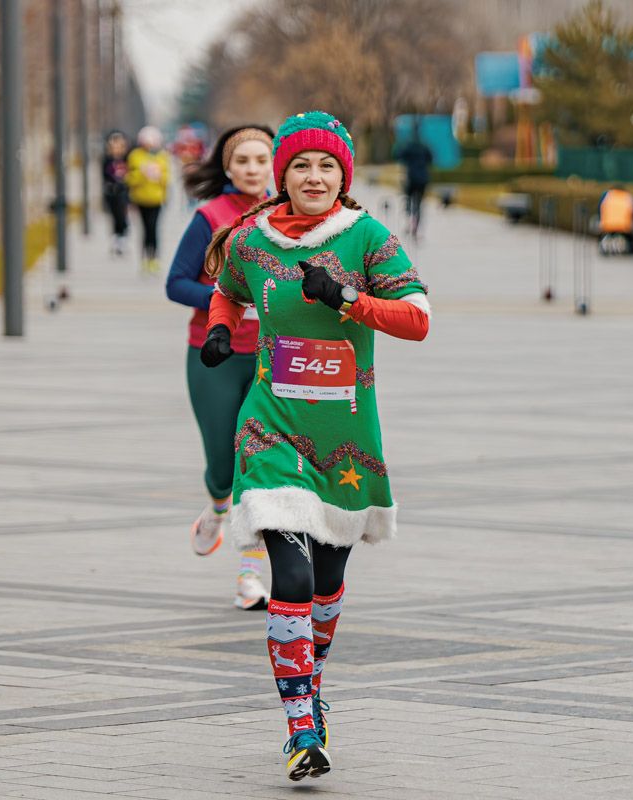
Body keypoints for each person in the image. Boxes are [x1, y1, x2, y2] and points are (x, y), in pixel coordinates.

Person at [199, 110, 430, 781]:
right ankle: (301, 728)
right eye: (300, 164)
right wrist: (221, 330)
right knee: (291, 578)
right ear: (283, 175)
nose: (313, 176)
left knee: (327, 583)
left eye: (326, 165)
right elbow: (227, 291)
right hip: (270, 426)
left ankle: (312, 688)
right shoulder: (253, 239)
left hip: (346, 440)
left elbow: (417, 319)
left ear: (343, 176)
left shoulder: (367, 238)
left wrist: (349, 299)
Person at [165, 124, 275, 610]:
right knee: (224, 466)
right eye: (243, 160)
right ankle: (215, 505)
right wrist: (226, 297)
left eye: (262, 159)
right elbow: (176, 283)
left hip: (275, 359)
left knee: (258, 464)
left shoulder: (287, 216)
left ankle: (250, 576)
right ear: (227, 167)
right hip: (215, 354)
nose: (253, 168)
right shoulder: (209, 216)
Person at [126, 126, 170, 273]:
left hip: (156, 199)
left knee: (154, 228)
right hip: (140, 199)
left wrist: (158, 176)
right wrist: (142, 173)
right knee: (144, 229)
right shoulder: (135, 155)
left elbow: (167, 178)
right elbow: (129, 179)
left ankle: (154, 258)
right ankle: (145, 258)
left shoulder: (162, 156)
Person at [394, 122, 432, 240]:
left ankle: (410, 220)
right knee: (419, 204)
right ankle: (416, 224)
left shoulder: (409, 145)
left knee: (409, 200)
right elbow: (430, 159)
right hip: (423, 178)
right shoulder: (424, 146)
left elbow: (398, 156)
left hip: (411, 178)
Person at [101, 131, 130, 257]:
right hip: (111, 192)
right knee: (114, 217)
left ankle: (122, 238)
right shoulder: (107, 160)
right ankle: (116, 239)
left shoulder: (127, 159)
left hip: (123, 192)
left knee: (122, 217)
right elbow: (104, 176)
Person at [598, 184, 633, 254]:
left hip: (607, 225)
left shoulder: (607, 195)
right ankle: (630, 248)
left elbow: (600, 209)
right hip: (624, 226)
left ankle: (605, 244)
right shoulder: (628, 197)